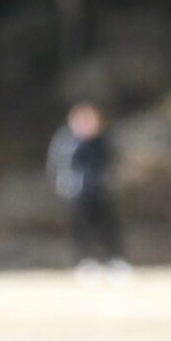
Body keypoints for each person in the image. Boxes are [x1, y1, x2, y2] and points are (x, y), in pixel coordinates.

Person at [46, 100, 128, 273]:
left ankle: (114, 260)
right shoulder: (67, 141)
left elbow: (113, 162)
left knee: (108, 226)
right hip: (77, 192)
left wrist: (111, 181)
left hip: (101, 190)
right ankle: (86, 261)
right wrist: (64, 185)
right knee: (81, 228)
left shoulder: (102, 140)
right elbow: (57, 164)